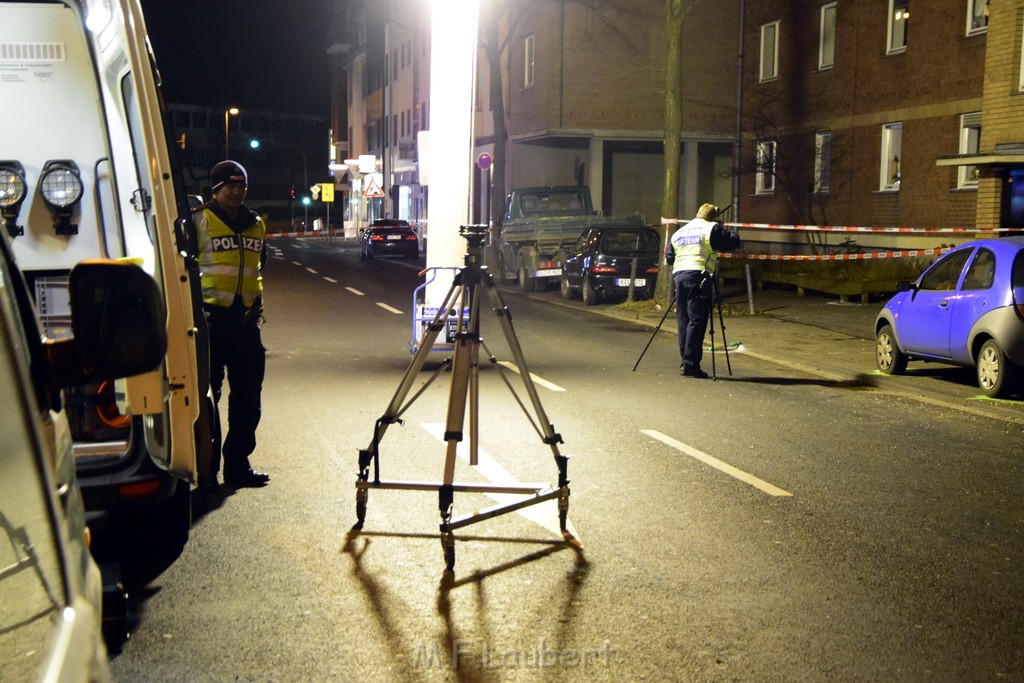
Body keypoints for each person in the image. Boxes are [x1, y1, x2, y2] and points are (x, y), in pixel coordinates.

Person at [194, 160, 270, 488]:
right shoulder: (198, 221)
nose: (237, 191)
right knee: (206, 399)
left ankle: (237, 465)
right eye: (230, 185)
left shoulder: (256, 224)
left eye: (242, 186)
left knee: (248, 400)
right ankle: (206, 469)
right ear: (216, 189)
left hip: (246, 324)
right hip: (210, 323)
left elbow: (258, 264)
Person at [665, 203, 741, 378]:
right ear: (712, 217)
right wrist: (721, 228)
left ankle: (686, 361)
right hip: (699, 277)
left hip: (679, 277)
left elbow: (670, 258)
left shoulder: (680, 232)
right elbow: (734, 240)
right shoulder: (711, 228)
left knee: (683, 320)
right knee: (697, 321)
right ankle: (691, 364)